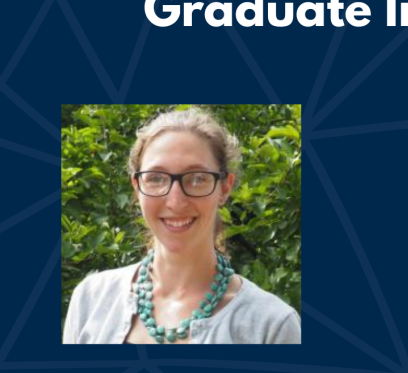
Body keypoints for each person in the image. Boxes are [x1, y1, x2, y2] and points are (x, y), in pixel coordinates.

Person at [63, 109, 300, 344]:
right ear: (137, 187)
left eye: (197, 178)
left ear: (224, 188)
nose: (175, 201)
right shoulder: (91, 300)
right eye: (156, 178)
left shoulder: (271, 326)